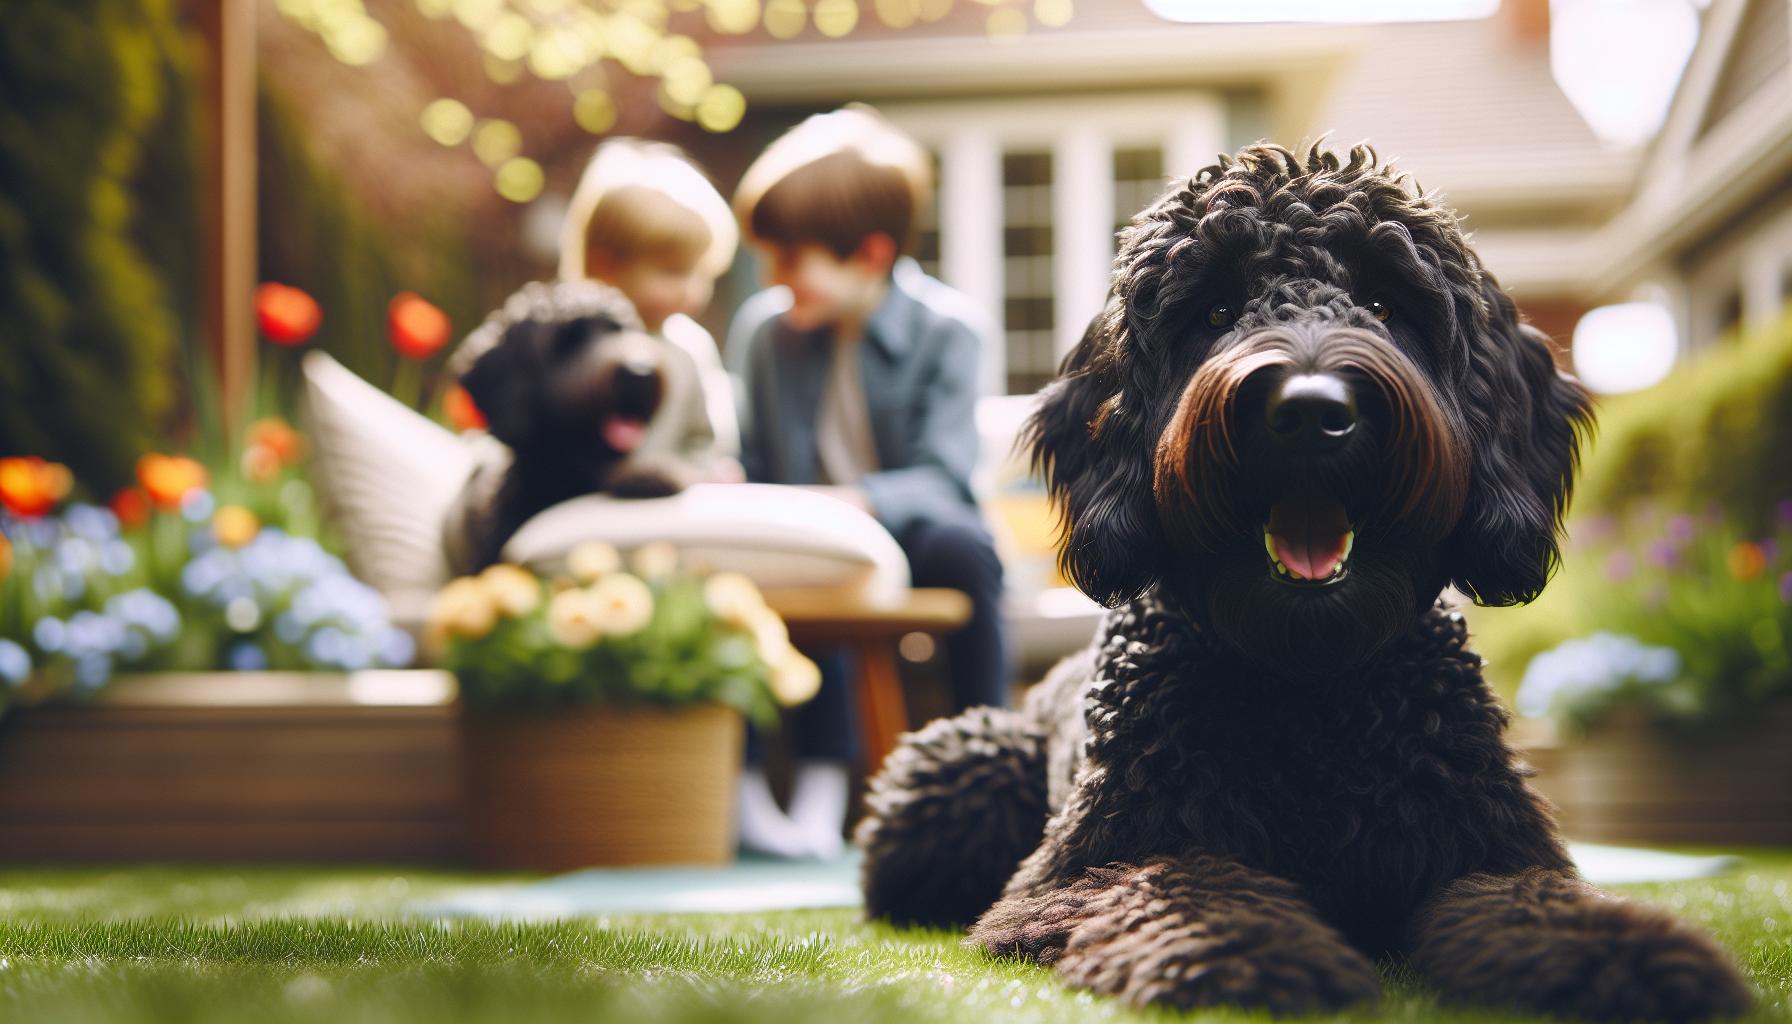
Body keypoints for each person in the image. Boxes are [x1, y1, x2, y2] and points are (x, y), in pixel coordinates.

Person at [726, 105, 1009, 859]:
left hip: (903, 532)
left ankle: (996, 766)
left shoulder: (950, 329)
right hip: (799, 539)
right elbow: (755, 461)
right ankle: (768, 793)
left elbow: (945, 475)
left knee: (965, 546)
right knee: (749, 571)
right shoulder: (765, 335)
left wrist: (853, 503)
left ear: (871, 254)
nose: (774, 278)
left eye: (791, 258)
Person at [557, 138, 743, 482]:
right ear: (605, 266)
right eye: (674, 271)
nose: (692, 288)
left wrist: (703, 473)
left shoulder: (690, 347)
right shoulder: (571, 346)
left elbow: (703, 441)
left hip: (666, 516)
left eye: (700, 271)